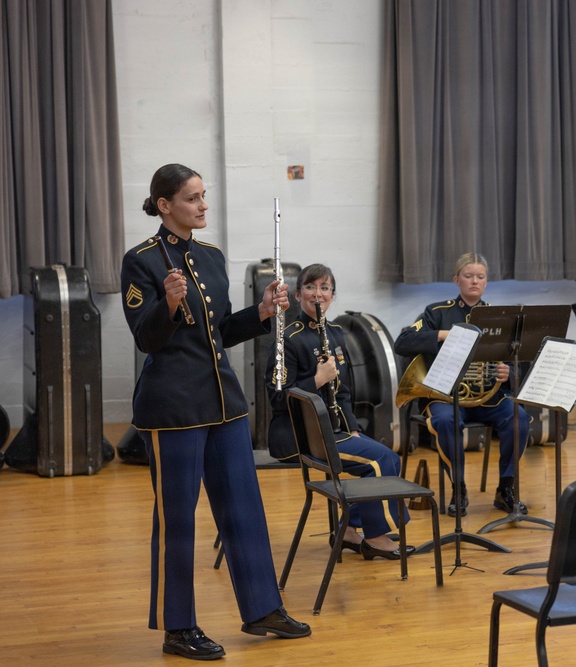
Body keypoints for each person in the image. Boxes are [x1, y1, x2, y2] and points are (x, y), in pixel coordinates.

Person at [120, 164, 310, 660]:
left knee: (245, 509)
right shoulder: (140, 261)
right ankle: (177, 627)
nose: (204, 206)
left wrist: (263, 312)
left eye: (204, 196)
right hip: (172, 408)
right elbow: (147, 337)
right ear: (165, 205)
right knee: (178, 520)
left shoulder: (211, 256)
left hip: (224, 404)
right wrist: (166, 303)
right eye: (192, 198)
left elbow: (219, 331)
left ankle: (263, 607)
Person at [266, 263, 412, 559]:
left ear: (333, 296)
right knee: (379, 461)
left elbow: (342, 390)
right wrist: (317, 379)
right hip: (300, 437)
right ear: (297, 295)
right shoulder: (287, 339)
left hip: (334, 430)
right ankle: (376, 536)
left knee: (389, 457)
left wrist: (352, 427)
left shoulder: (335, 333)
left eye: (324, 288)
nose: (317, 294)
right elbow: (277, 398)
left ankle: (348, 529)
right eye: (310, 287)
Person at [393, 252, 530, 517]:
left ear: (487, 282)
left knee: (519, 418)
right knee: (445, 422)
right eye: (468, 276)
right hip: (445, 396)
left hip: (488, 397)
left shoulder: (498, 317)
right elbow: (403, 342)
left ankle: (506, 488)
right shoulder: (437, 312)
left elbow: (513, 360)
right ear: (457, 280)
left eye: (480, 277)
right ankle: (459, 488)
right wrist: (444, 335)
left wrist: (507, 372)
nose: (474, 282)